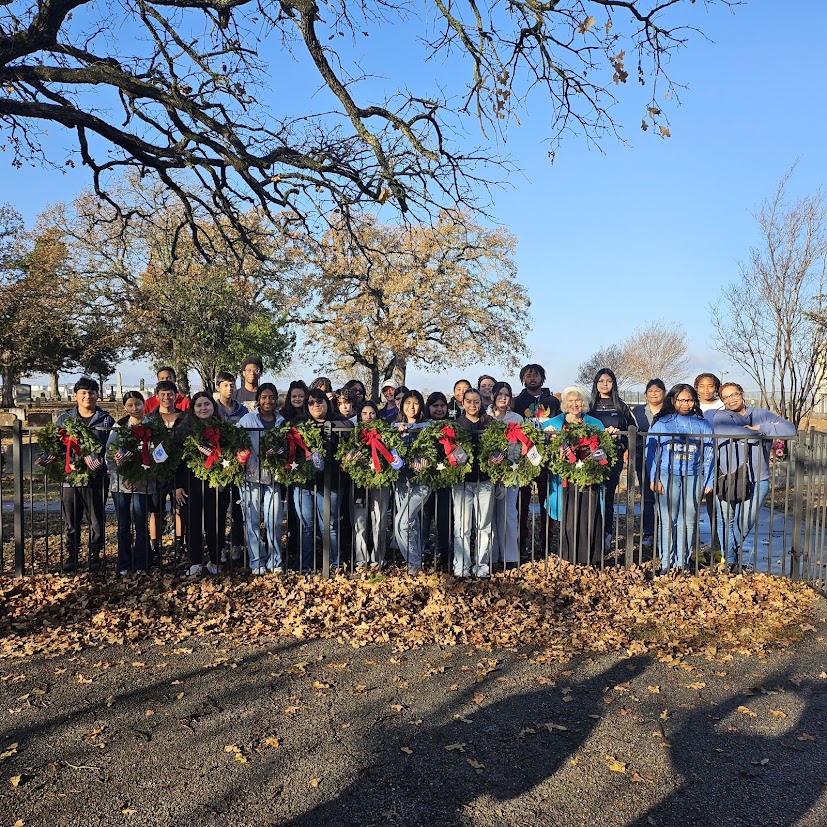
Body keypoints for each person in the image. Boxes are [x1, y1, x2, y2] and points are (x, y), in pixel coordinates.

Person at [709, 382, 796, 571]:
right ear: (722, 400)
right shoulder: (720, 417)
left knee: (746, 521)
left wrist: (760, 427)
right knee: (726, 520)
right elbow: (731, 431)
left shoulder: (761, 413)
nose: (731, 399)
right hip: (728, 476)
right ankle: (730, 561)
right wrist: (763, 432)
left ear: (742, 393)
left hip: (758, 476)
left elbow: (790, 430)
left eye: (734, 394)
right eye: (726, 397)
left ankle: (731, 555)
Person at [44, 377, 115, 573]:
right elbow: (55, 444)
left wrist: (100, 461)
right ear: (75, 395)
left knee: (96, 520)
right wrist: (48, 456)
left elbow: (111, 446)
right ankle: (72, 555)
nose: (87, 396)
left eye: (91, 392)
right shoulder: (65, 419)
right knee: (71, 521)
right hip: (70, 478)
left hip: (95, 477)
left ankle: (95, 555)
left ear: (97, 395)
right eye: (83, 393)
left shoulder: (106, 419)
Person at [646, 384, 714, 573]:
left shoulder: (702, 425)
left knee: (688, 521)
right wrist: (654, 477)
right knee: (668, 520)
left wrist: (709, 481)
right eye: (681, 400)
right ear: (673, 400)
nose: (685, 404)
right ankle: (667, 563)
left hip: (694, 477)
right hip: (667, 476)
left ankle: (682, 562)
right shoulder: (662, 423)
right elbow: (651, 452)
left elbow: (709, 453)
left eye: (689, 400)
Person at [543, 386, 614, 566]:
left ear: (584, 402)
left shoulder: (594, 423)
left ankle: (591, 557)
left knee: (589, 516)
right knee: (568, 517)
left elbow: (601, 448)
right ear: (565, 404)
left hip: (589, 477)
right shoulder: (553, 424)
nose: (575, 404)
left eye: (578, 400)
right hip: (564, 479)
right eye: (571, 401)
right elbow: (546, 453)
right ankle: (566, 555)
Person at [293, 388, 352, 572]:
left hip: (331, 484)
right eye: (311, 402)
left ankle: (333, 564)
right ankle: (306, 565)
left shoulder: (341, 424)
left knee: (330, 525)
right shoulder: (299, 425)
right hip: (304, 484)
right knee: (306, 526)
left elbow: (351, 441)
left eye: (319, 401)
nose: (316, 405)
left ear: (327, 403)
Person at [175, 392, 232, 575]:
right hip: (190, 485)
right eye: (198, 405)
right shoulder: (183, 431)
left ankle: (215, 561)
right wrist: (176, 486)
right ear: (193, 409)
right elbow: (177, 462)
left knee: (215, 523)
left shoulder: (224, 430)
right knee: (193, 523)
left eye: (206, 404)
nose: (203, 408)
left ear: (213, 407)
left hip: (217, 484)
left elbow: (231, 456)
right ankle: (195, 561)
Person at [513, 363, 560, 557]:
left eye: (536, 374)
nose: (532, 378)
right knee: (521, 502)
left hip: (546, 458)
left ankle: (546, 542)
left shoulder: (553, 402)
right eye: (528, 375)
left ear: (542, 378)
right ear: (523, 379)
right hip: (524, 458)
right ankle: (521, 540)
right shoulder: (517, 401)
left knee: (546, 502)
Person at [452, 388, 501, 578]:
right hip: (462, 482)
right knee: (462, 526)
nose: (473, 405)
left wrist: (496, 456)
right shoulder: (456, 425)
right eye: (469, 401)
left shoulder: (490, 424)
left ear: (482, 403)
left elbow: (500, 446)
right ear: (462, 403)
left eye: (476, 402)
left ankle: (481, 565)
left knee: (484, 525)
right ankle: (461, 564)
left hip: (485, 481)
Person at [238, 383, 285, 574]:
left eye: (271, 397)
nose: (268, 401)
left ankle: (275, 560)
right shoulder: (248, 419)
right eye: (264, 397)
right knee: (252, 521)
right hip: (251, 476)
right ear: (258, 399)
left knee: (274, 520)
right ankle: (257, 561)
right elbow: (236, 442)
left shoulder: (282, 422)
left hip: (274, 477)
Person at [589, 368, 635, 553]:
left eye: (608, 381)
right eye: (600, 381)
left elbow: (632, 430)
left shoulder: (621, 406)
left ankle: (606, 539)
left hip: (612, 459)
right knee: (590, 497)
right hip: (589, 459)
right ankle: (590, 539)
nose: (604, 384)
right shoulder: (589, 405)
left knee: (607, 498)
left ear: (614, 384)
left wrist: (621, 441)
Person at [106, 391, 150, 575]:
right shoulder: (119, 427)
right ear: (125, 407)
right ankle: (124, 563)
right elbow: (110, 455)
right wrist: (125, 478)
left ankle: (141, 562)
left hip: (143, 483)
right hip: (120, 484)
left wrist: (138, 477)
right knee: (123, 524)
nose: (134, 408)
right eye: (130, 405)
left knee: (141, 523)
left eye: (138, 404)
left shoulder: (152, 425)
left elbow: (157, 456)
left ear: (143, 404)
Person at [146, 379, 188, 566]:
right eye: (162, 395)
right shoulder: (150, 419)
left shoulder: (185, 418)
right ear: (157, 397)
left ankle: (180, 545)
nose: (166, 398)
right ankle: (154, 547)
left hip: (180, 470)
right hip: (156, 472)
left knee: (179, 509)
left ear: (176, 396)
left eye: (170, 394)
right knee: (155, 510)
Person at [392, 390, 431, 575]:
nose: (411, 407)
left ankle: (414, 563)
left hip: (421, 483)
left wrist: (426, 459)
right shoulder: (394, 427)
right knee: (411, 524)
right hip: (401, 482)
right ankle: (415, 562)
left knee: (401, 523)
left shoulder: (428, 427)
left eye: (415, 403)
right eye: (407, 403)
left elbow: (432, 452)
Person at [350, 401, 391, 570]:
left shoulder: (385, 434)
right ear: (359, 416)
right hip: (360, 484)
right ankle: (361, 560)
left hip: (381, 483)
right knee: (359, 523)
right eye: (365, 414)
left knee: (379, 522)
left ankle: (378, 559)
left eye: (372, 413)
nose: (369, 417)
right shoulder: (353, 434)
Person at [488, 381, 523, 568]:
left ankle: (510, 556)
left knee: (508, 513)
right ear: (493, 395)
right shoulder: (484, 415)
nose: (503, 397)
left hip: (510, 471)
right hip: (488, 472)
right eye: (500, 394)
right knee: (489, 515)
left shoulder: (516, 418)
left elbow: (520, 445)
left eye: (507, 394)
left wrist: (508, 461)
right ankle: (492, 555)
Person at [215, 370, 246, 564]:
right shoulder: (214, 409)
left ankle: (236, 544)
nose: (229, 388)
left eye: (232, 384)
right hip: (218, 468)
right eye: (225, 385)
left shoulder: (242, 410)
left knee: (237, 508)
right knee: (219, 508)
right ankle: (219, 547)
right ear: (218, 387)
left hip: (239, 468)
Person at [631, 379, 666, 548]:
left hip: (666, 458)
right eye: (650, 391)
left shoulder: (669, 411)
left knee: (666, 495)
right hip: (642, 457)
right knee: (647, 495)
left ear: (664, 393)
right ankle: (648, 532)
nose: (654, 393)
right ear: (646, 393)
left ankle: (665, 532)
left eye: (657, 391)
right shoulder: (637, 411)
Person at [694, 372, 725, 555]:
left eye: (710, 386)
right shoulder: (691, 404)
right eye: (702, 385)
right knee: (692, 505)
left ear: (716, 388)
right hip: (695, 460)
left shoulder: (723, 406)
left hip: (719, 461)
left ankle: (717, 546)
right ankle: (694, 547)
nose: (706, 389)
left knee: (715, 506)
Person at [422, 391, 452, 571]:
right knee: (424, 516)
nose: (439, 409)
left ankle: (444, 552)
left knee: (444, 518)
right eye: (435, 406)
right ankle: (424, 551)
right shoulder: (423, 426)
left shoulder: (452, 426)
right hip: (426, 478)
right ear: (429, 408)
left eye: (442, 406)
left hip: (446, 479)